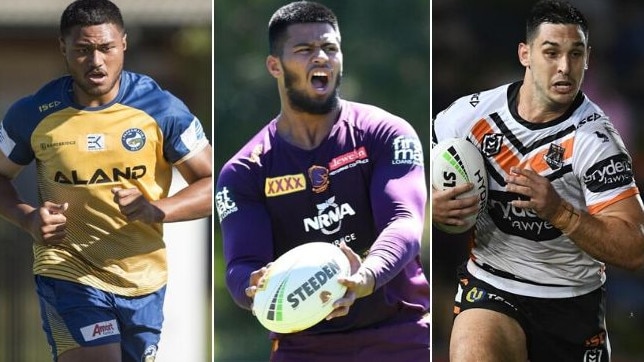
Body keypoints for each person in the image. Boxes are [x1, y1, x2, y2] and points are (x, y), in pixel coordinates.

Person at [216, 1, 429, 361]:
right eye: (305, 50)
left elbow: (405, 222)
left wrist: (367, 276)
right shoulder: (244, 171)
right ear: (274, 66)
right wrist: (252, 286)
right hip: (303, 346)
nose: (321, 58)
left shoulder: (385, 133)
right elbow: (241, 265)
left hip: (398, 335)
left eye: (330, 48)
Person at [432, 0, 644, 361]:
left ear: (587, 58)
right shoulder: (466, 117)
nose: (565, 67)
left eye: (575, 54)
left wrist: (560, 212)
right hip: (492, 285)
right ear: (525, 54)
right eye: (551, 52)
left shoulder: (597, 142)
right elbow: (417, 181)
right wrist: (434, 204)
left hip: (571, 302)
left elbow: (634, 249)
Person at [0, 0, 212, 361]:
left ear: (124, 44)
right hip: (69, 272)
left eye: (106, 48)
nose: (96, 61)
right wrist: (26, 217)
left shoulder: (161, 109)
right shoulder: (33, 113)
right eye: (83, 50)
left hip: (142, 280)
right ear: (63, 48)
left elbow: (212, 184)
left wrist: (156, 210)